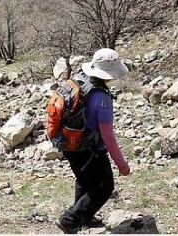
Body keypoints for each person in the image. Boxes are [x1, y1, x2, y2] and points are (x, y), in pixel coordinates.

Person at [56, 48, 131, 234]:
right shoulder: (102, 98)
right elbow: (108, 135)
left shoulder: (79, 81)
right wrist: (121, 164)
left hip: (68, 143)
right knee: (104, 186)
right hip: (89, 148)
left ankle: (83, 217)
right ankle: (69, 220)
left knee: (84, 180)